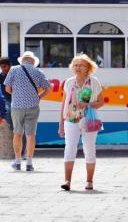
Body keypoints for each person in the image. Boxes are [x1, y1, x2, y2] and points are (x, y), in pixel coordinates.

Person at [58, 54, 104, 191]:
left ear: (88, 68)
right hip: (70, 120)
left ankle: (89, 181)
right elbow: (64, 103)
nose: (78, 67)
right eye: (76, 65)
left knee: (89, 149)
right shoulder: (68, 82)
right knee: (69, 148)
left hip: (89, 119)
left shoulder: (94, 82)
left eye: (81, 65)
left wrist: (88, 105)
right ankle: (67, 181)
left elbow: (101, 102)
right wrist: (61, 123)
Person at [4, 51, 51, 171]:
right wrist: (39, 96)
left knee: (17, 133)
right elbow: (48, 88)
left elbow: (7, 88)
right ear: (33, 61)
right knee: (31, 135)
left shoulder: (14, 69)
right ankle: (29, 163)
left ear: (22, 60)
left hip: (17, 107)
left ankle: (17, 161)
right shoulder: (38, 71)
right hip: (33, 106)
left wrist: (17, 95)